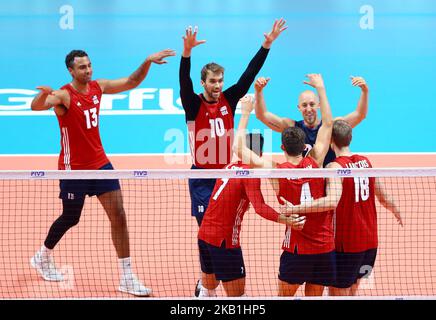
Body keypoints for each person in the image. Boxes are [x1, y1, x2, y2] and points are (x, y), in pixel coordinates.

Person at [29, 48, 176, 296]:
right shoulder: (64, 95)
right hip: (73, 170)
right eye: (82, 67)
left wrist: (147, 61)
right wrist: (43, 96)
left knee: (118, 215)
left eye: (89, 65)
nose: (88, 70)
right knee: (71, 217)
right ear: (71, 71)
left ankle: (127, 277)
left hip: (100, 164)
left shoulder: (99, 87)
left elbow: (131, 81)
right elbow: (37, 107)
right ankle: (42, 256)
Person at [179, 19, 287, 296]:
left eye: (219, 81)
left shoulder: (229, 98)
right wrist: (187, 54)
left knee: (222, 231)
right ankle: (207, 285)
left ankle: (210, 282)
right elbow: (183, 82)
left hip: (226, 176)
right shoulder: (193, 104)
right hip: (202, 178)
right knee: (206, 233)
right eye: (212, 81)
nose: (217, 85)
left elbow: (249, 75)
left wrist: (267, 44)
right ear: (203, 83)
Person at [235, 74, 335, 296]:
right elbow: (328, 123)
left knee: (284, 296)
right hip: (324, 247)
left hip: (296, 250)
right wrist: (321, 88)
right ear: (305, 147)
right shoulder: (317, 161)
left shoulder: (276, 172)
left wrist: (244, 115)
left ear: (282, 146)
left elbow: (239, 149)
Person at [283, 119, 403, 296]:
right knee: (353, 290)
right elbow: (384, 198)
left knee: (338, 293)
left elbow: (332, 202)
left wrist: (297, 207)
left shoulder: (334, 167)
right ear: (351, 138)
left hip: (347, 245)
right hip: (371, 244)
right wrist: (396, 211)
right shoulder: (366, 163)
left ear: (331, 142)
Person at [197, 132, 306, 297]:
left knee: (208, 289)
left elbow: (226, 197)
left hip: (204, 235)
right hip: (224, 241)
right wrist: (286, 220)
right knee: (239, 298)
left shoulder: (229, 167)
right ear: (260, 154)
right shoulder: (250, 174)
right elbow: (260, 207)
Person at [254, 75, 369, 166]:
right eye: (304, 105)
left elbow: (360, 115)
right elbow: (262, 115)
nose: (308, 109)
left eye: (312, 104)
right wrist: (258, 91)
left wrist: (364, 91)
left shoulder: (332, 126)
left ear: (319, 105)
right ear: (299, 108)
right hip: (304, 184)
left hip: (331, 181)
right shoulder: (292, 128)